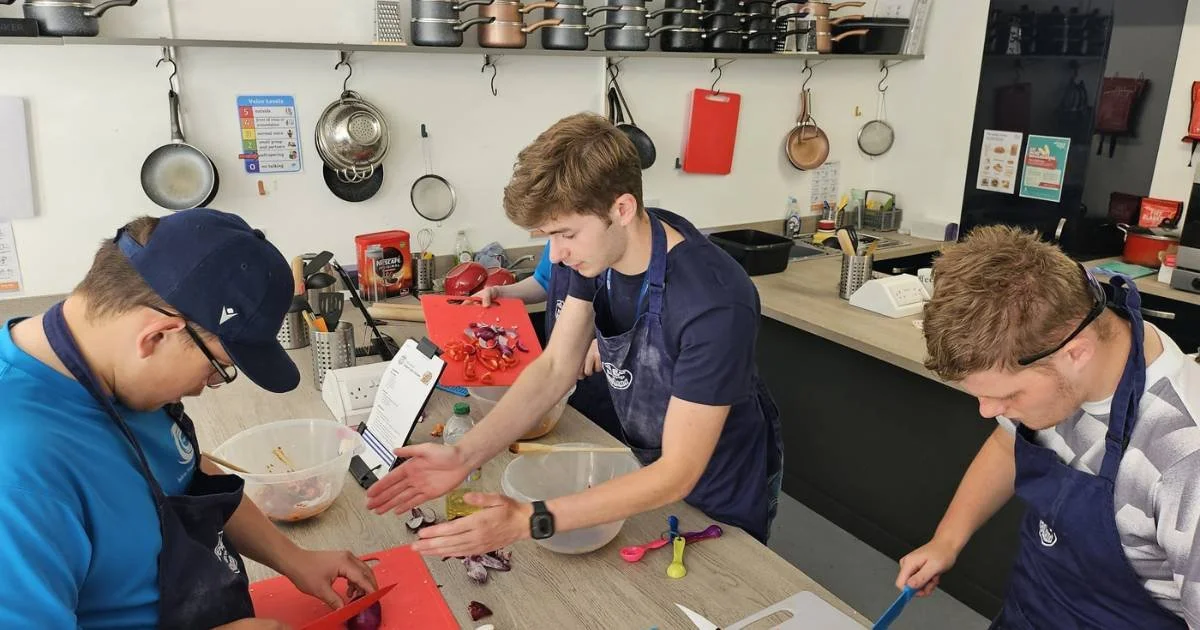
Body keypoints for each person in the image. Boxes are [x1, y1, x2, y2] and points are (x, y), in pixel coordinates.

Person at [367, 112, 783, 555]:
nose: (558, 256)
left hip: (719, 488)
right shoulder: (596, 251)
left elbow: (679, 471)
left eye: (564, 234)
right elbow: (555, 368)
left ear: (621, 209)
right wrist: (465, 454)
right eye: (548, 237)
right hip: (645, 469)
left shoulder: (713, 301)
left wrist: (531, 519)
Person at [0, 209, 376, 629]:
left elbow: (185, 472)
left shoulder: (112, 367)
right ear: (157, 336)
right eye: (217, 366)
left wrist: (294, 558)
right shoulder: (19, 471)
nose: (208, 387)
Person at [895, 226, 1200, 628]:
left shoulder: (1182, 459)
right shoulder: (1065, 363)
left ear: (1076, 352)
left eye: (1009, 397)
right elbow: (1007, 443)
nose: (988, 412)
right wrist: (947, 540)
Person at [472, 242, 621, 438]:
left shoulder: (621, 249)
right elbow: (543, 281)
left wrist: (609, 344)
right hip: (562, 381)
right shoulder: (557, 242)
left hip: (605, 387)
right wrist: (501, 293)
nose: (555, 254)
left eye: (567, 234)